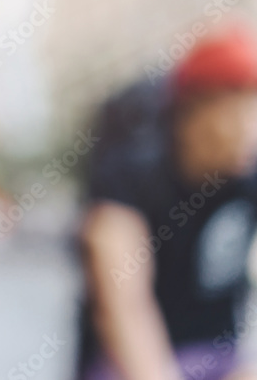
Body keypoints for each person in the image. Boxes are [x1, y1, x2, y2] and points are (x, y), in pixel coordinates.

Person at [78, 27, 257, 379]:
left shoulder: (246, 176)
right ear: (194, 113)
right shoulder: (130, 176)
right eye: (238, 115)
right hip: (131, 360)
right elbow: (125, 309)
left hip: (219, 354)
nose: (249, 132)